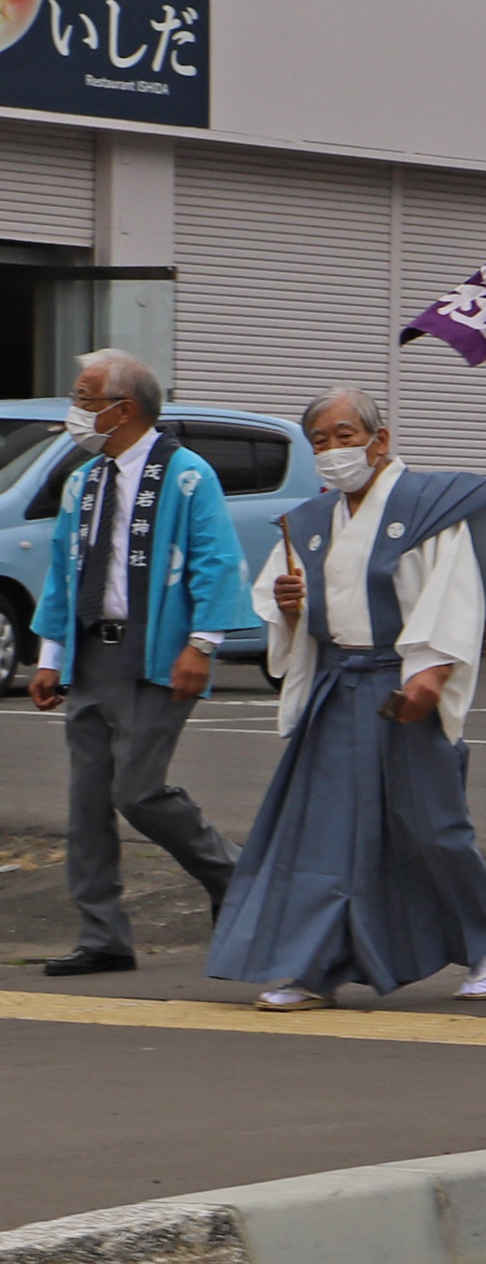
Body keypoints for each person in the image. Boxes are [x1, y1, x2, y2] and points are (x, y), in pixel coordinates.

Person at [211, 388, 486, 1010]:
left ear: (380, 440)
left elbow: (454, 592)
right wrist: (288, 608)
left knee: (432, 825)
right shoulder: (308, 522)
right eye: (321, 442)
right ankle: (314, 965)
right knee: (322, 833)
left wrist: (432, 670)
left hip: (401, 682)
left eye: (345, 435)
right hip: (335, 686)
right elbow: (281, 602)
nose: (334, 452)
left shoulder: (429, 507)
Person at [28, 348, 256, 976]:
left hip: (156, 651)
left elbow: (215, 559)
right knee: (87, 801)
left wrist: (201, 644)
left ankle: (237, 877)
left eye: (84, 399)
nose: (75, 412)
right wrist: (50, 655)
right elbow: (64, 573)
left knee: (138, 790)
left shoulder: (185, 474)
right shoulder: (85, 479)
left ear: (122, 409)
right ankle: (103, 934)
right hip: (89, 651)